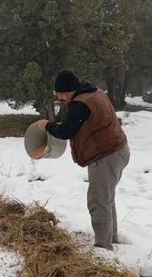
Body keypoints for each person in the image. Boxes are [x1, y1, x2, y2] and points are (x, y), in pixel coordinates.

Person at [34, 70, 130, 250]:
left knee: (98, 201)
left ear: (68, 90)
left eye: (61, 94)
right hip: (119, 150)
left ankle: (104, 248)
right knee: (106, 198)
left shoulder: (80, 104)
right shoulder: (95, 93)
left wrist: (46, 125)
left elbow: (66, 131)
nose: (60, 97)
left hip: (106, 156)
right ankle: (112, 237)